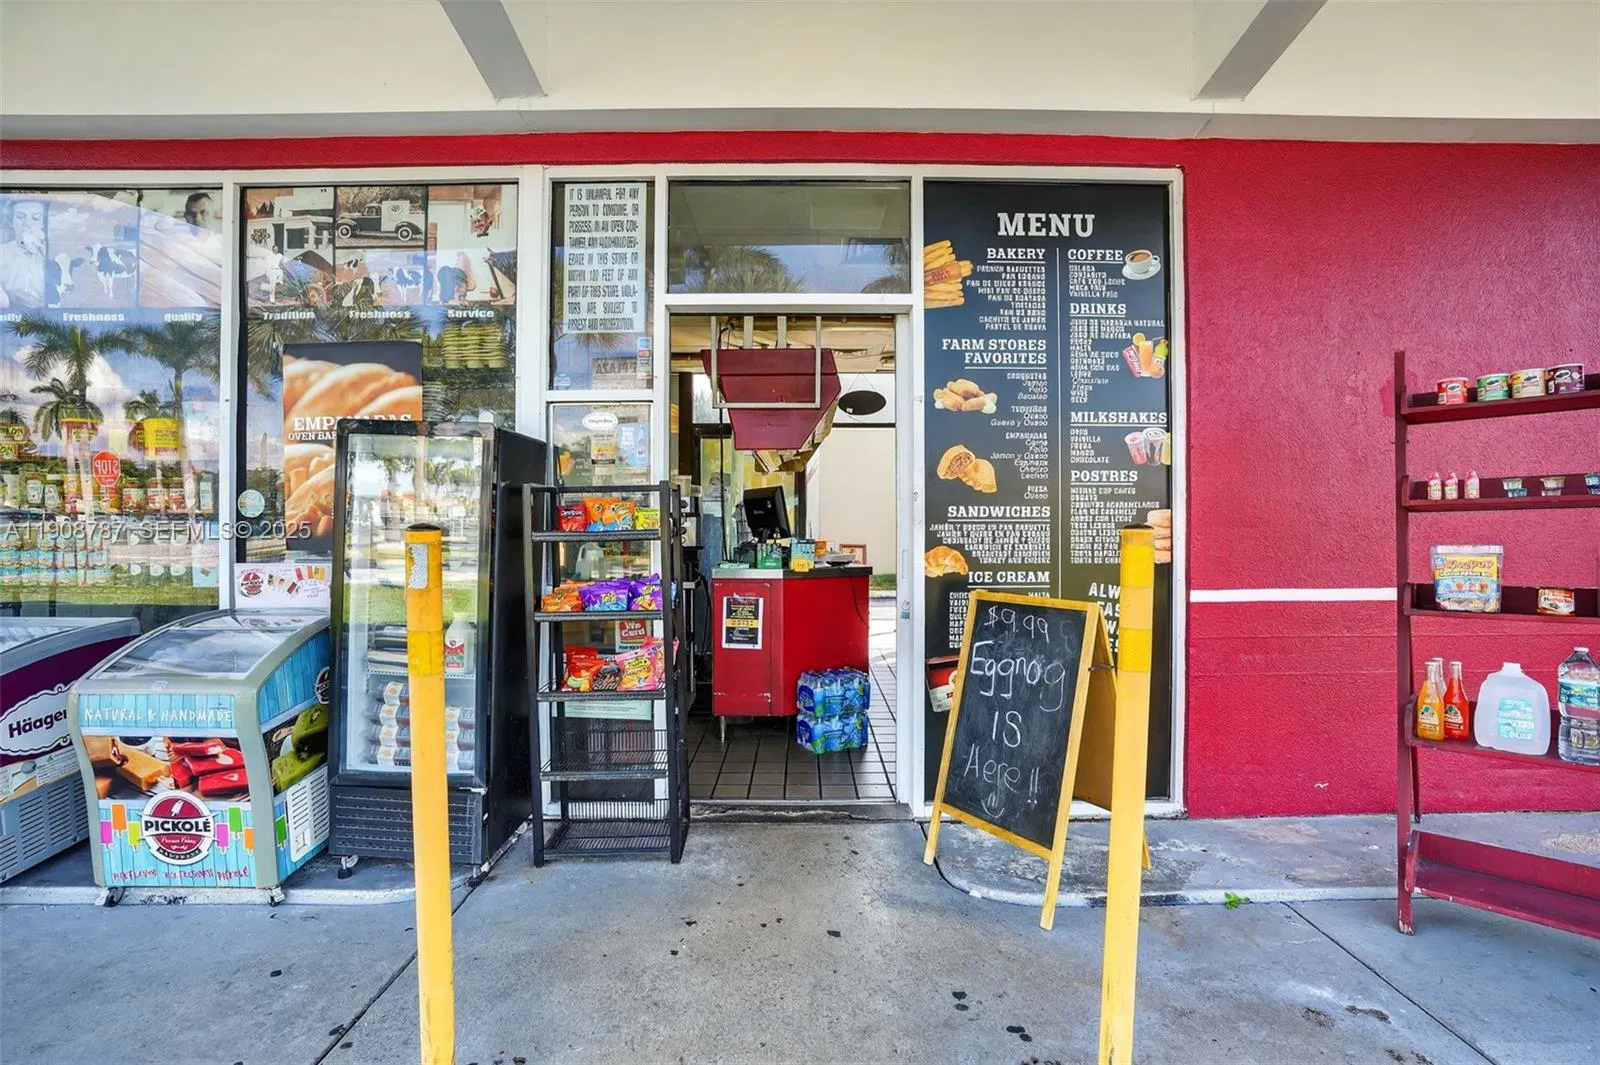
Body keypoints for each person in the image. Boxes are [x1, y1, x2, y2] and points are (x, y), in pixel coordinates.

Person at [0, 197, 47, 309]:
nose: (27, 223)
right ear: (11, 221)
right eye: (20, 217)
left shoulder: (51, 254)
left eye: (36, 218)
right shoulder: (2, 252)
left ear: (43, 223)